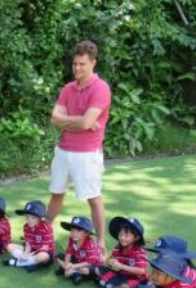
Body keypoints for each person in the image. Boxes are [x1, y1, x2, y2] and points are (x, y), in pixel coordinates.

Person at [48, 40, 112, 251]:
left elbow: (85, 122)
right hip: (63, 150)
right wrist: (81, 121)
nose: (77, 68)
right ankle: (44, 230)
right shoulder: (68, 88)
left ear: (93, 63)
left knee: (93, 198)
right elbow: (55, 118)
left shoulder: (101, 89)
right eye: (75, 63)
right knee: (56, 193)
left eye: (82, 64)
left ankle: (101, 241)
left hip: (86, 155)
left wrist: (73, 121)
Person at [95, 216, 148, 288]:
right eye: (120, 234)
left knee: (125, 286)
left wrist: (120, 265)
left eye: (126, 236)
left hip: (138, 279)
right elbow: (109, 261)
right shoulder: (118, 248)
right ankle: (111, 285)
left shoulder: (140, 252)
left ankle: (110, 285)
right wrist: (108, 261)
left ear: (136, 238)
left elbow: (141, 271)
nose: (122, 238)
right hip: (122, 275)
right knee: (98, 269)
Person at [5, 201, 55, 270]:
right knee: (9, 246)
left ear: (39, 218)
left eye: (33, 217)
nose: (29, 220)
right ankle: (30, 262)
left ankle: (16, 263)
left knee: (42, 256)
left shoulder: (46, 228)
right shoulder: (26, 227)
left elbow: (45, 247)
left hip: (44, 252)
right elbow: (28, 242)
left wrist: (30, 255)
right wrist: (26, 252)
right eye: (27, 217)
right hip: (31, 250)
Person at [55, 216, 103, 284]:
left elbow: (89, 262)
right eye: (72, 230)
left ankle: (73, 273)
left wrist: (72, 266)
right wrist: (67, 264)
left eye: (78, 231)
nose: (74, 233)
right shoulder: (72, 239)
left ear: (86, 233)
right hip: (78, 260)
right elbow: (68, 252)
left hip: (91, 264)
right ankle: (72, 273)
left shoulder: (90, 245)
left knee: (85, 270)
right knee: (58, 256)